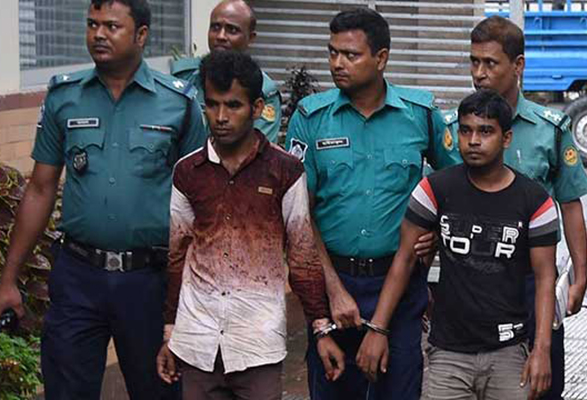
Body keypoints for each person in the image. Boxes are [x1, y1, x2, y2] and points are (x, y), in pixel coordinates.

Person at [0, 0, 206, 398]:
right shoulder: (64, 97)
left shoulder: (178, 103)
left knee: (158, 390)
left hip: (150, 281)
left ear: (141, 35)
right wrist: (9, 278)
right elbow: (40, 188)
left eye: (112, 26)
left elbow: (200, 201)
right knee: (67, 391)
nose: (98, 34)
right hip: (79, 277)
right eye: (92, 24)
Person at [285, 8, 459, 399]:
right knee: (332, 388)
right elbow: (299, 215)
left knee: (399, 389)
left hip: (399, 284)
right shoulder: (310, 118)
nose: (337, 63)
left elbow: (457, 186)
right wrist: (332, 291)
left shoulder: (420, 115)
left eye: (350, 55)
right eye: (332, 53)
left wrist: (436, 233)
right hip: (331, 281)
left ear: (381, 58)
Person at [155, 50, 344, 399]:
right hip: (197, 342)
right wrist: (170, 333)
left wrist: (321, 330)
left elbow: (302, 257)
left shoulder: (285, 171)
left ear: (257, 108)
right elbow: (177, 255)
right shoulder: (187, 172)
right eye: (212, 105)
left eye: (233, 105)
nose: (221, 117)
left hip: (257, 343)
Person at [359, 89, 558, 400]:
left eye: (485, 131)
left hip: (508, 350)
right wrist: (378, 328)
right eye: (466, 131)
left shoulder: (535, 201)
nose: (473, 140)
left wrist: (541, 350)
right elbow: (405, 259)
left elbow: (546, 278)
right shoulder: (435, 189)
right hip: (447, 354)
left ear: (506, 138)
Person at [442, 16, 587, 399]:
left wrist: (579, 275)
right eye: (474, 62)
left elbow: (570, 204)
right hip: (469, 281)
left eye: (490, 63)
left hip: (532, 281)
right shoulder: (456, 130)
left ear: (518, 65)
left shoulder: (549, 129)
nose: (479, 73)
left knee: (541, 381)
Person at [171, 0, 282, 143]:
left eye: (232, 30)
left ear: (251, 38)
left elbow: (255, 149)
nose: (221, 36)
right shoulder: (184, 77)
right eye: (215, 27)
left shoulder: (263, 90)